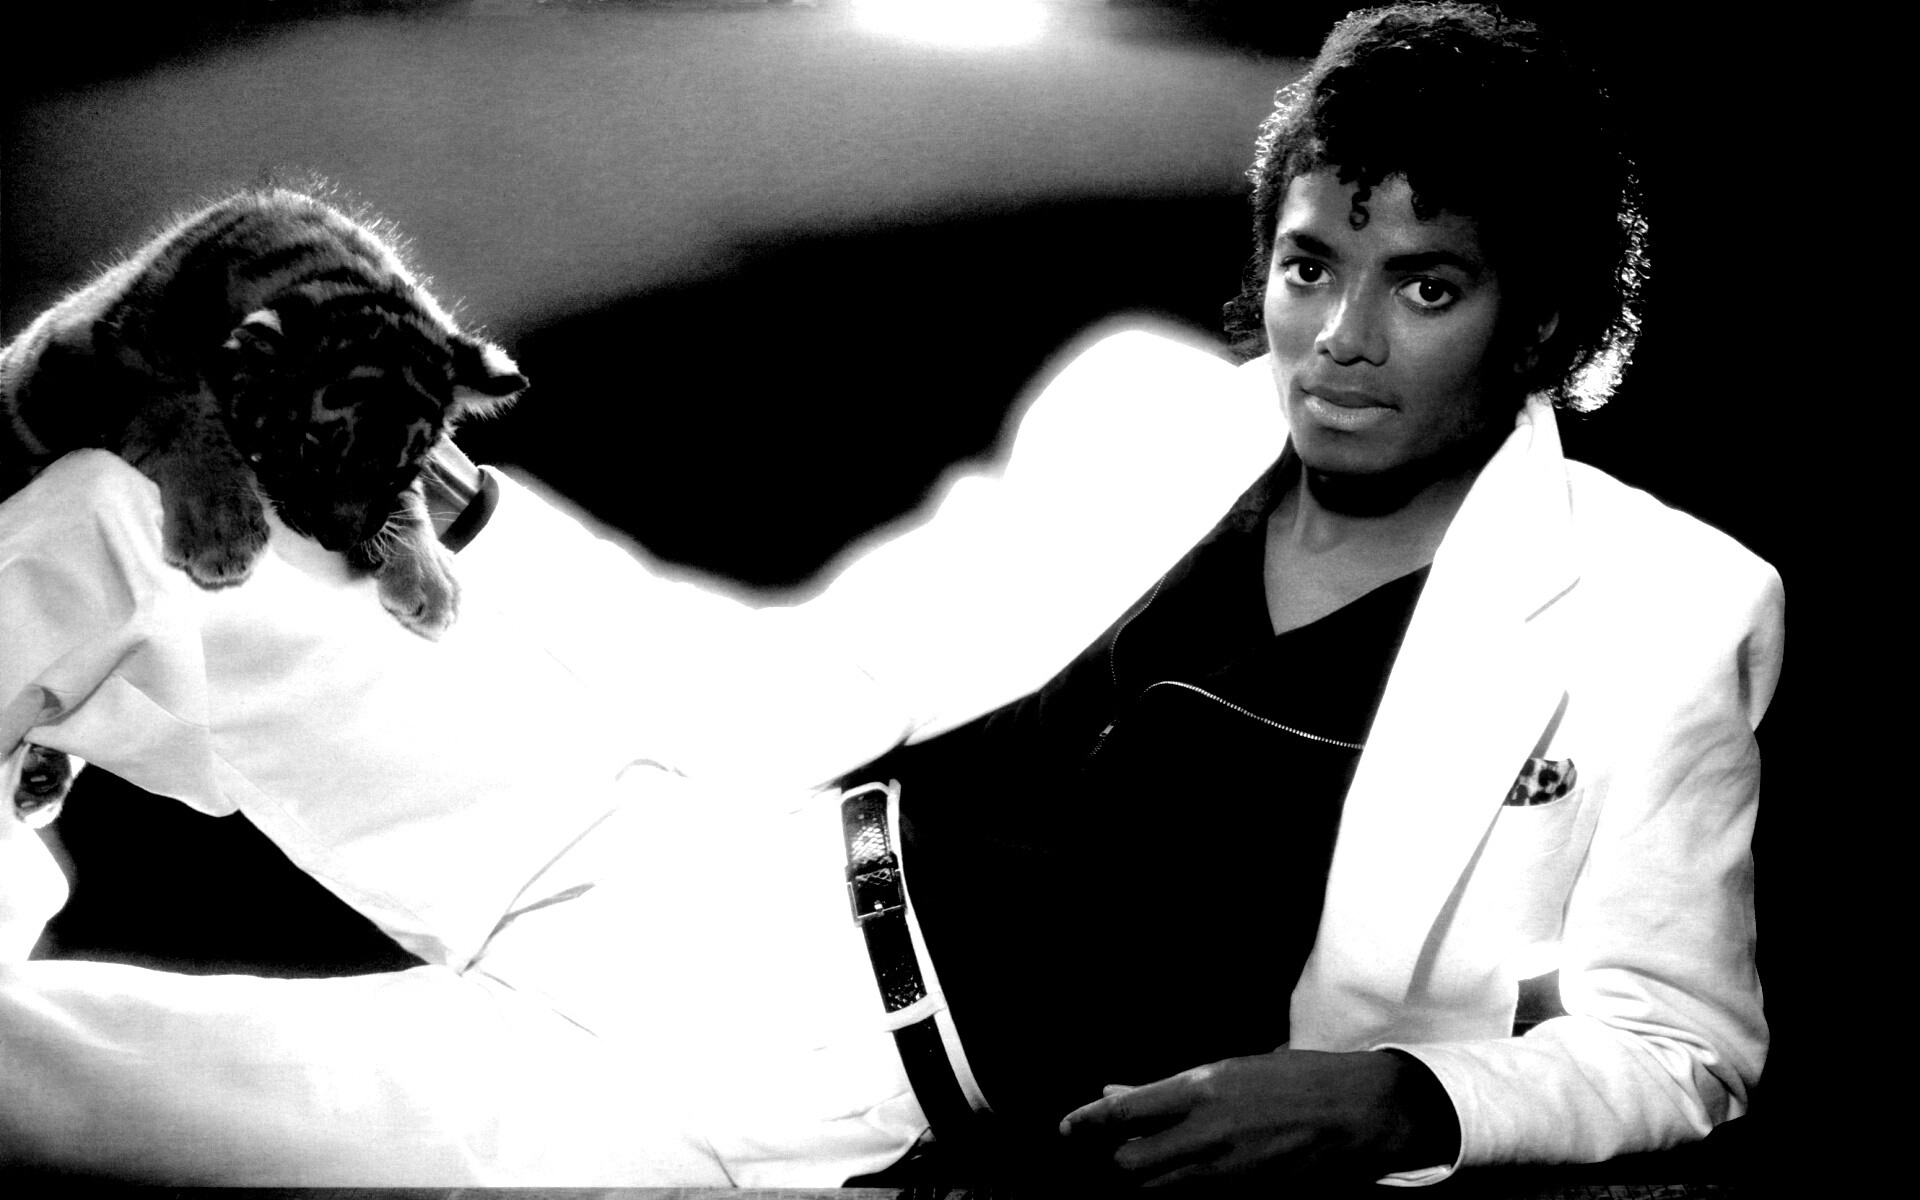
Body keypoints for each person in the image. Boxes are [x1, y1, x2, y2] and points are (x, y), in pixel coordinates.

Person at [0, 2, 1781, 1188]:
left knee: (53, 1093)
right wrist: (455, 516)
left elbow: (1676, 1044)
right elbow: (802, 675)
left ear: (1547, 322)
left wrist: (1406, 1096)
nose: (1342, 338)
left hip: (805, 1122)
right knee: (139, 516)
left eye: (1428, 286)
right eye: (1314, 264)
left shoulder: (1665, 612)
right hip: (684, 843)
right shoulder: (1149, 413)